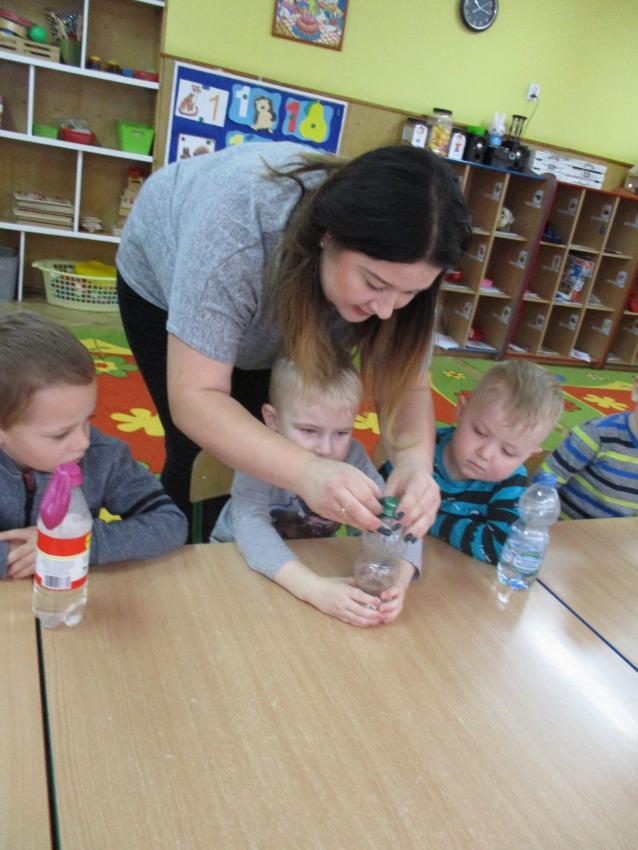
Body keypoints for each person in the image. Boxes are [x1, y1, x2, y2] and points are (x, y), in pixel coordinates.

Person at [115, 140, 471, 541]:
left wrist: (414, 463)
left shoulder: (408, 262)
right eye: (374, 283)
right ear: (329, 235)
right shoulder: (238, 231)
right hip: (166, 277)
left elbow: (407, 383)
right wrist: (307, 471)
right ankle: (189, 558)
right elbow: (196, 399)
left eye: (410, 293)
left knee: (284, 437)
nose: (388, 310)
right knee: (205, 453)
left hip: (283, 286)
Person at [211, 357, 422, 627]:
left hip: (306, 564)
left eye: (341, 433)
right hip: (233, 560)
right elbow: (251, 529)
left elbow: (395, 519)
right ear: (273, 420)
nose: (326, 449)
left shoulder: (354, 457)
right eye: (309, 430)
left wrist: (399, 579)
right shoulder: (258, 456)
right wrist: (312, 589)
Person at [0, 312, 188, 579]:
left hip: (74, 594)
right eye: (60, 434)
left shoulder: (104, 456)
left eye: (88, 420)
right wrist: (11, 556)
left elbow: (170, 523)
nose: (83, 442)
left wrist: (77, 544)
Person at [382, 361, 564, 565]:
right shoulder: (419, 451)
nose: (485, 454)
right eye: (480, 432)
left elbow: (502, 547)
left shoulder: (511, 482)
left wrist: (428, 520)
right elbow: (377, 507)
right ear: (461, 410)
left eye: (508, 452)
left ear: (528, 456)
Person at [541, 374, 638, 519]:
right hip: (565, 524)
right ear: (636, 389)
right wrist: (540, 514)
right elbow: (546, 475)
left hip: (615, 530)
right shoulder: (597, 433)